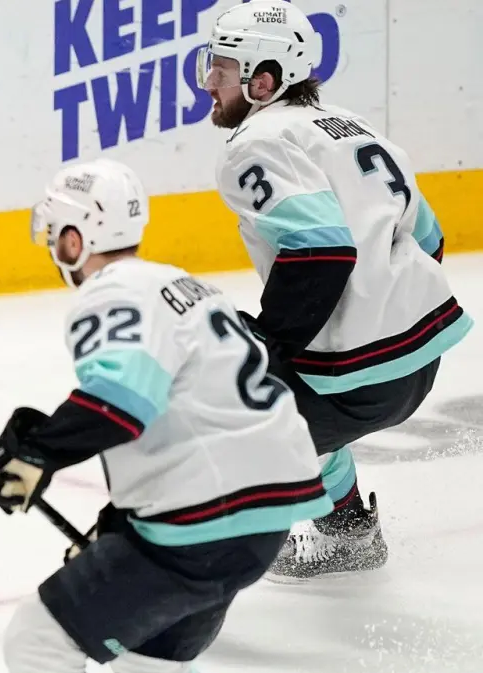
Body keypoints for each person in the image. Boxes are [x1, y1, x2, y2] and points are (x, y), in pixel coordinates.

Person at [0, 159, 332, 673]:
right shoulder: (185, 285)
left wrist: (34, 450)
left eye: (57, 234)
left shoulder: (107, 296)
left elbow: (119, 404)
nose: (52, 247)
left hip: (207, 516)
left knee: (37, 642)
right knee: (150, 655)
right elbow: (190, 412)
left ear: (78, 235)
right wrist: (120, 520)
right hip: (260, 515)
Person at [202, 0, 471, 580]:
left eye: (221, 69)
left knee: (201, 418)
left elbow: (321, 250)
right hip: (418, 364)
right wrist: (380, 313)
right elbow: (428, 237)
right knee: (292, 396)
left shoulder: (257, 142)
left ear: (263, 80)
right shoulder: (350, 127)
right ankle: (349, 532)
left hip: (355, 379)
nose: (209, 83)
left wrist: (266, 347)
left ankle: (182, 578)